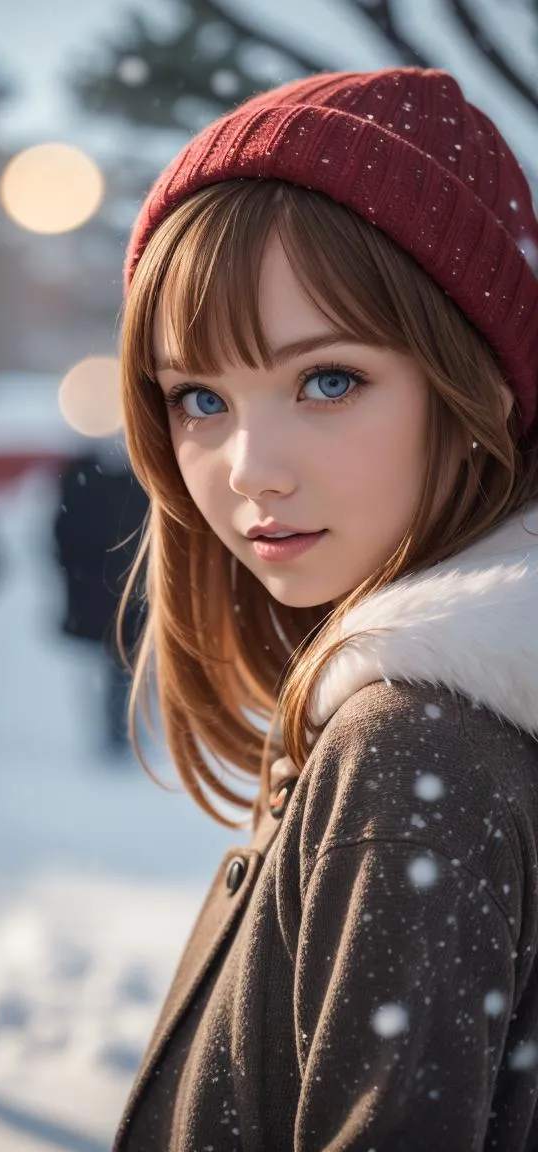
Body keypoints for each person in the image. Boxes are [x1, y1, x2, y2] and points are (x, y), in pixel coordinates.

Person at [112, 68, 538, 1150]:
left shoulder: (415, 753)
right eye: (198, 398)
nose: (250, 470)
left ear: (475, 380)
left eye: (328, 380)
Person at [52, 435, 148, 758]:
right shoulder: (83, 474)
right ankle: (117, 731)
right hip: (101, 591)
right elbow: (64, 537)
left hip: (132, 591)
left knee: (125, 663)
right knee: (115, 664)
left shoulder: (142, 473)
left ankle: (124, 729)